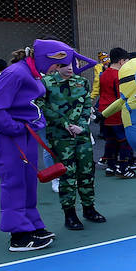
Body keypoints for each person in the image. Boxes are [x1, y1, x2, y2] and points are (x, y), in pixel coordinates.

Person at [0, 39, 95, 252]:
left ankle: (32, 225)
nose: (59, 69)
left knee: (27, 180)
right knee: (15, 182)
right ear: (47, 58)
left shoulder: (31, 72)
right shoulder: (16, 73)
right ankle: (18, 235)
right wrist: (15, 128)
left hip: (23, 132)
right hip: (10, 135)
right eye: (59, 64)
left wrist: (28, 126)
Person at [38, 60, 106, 230]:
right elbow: (41, 106)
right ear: (56, 66)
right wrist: (64, 123)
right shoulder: (45, 83)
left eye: (72, 65)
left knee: (86, 172)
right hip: (60, 136)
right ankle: (70, 214)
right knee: (67, 176)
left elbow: (86, 106)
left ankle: (89, 209)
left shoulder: (82, 82)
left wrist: (81, 126)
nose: (69, 68)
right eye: (64, 65)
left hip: (81, 134)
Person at [98, 47, 136, 177]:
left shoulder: (103, 73)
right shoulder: (119, 75)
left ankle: (111, 166)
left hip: (103, 110)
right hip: (115, 112)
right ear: (121, 61)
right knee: (124, 141)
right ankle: (124, 168)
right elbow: (121, 97)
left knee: (110, 140)